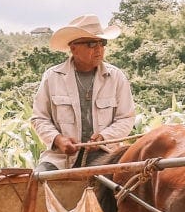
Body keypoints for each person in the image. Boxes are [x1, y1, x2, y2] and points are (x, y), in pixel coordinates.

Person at [31, 14, 135, 172]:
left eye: (102, 43)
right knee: (38, 180)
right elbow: (39, 118)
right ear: (73, 48)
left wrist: (103, 137)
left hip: (106, 154)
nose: (99, 49)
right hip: (60, 158)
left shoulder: (116, 77)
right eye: (92, 44)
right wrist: (58, 140)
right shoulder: (52, 78)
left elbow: (126, 118)